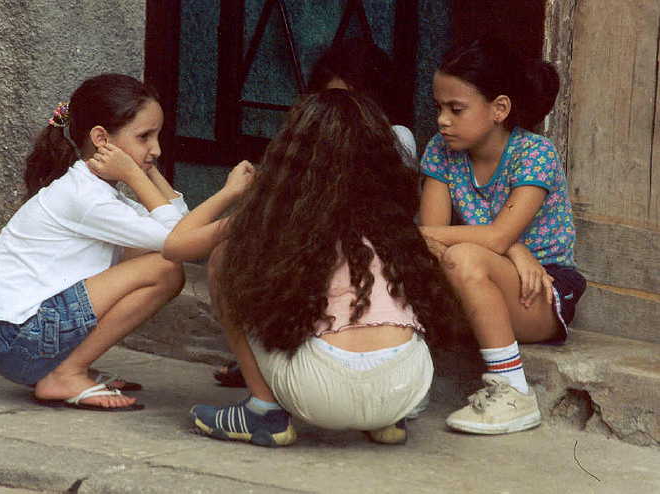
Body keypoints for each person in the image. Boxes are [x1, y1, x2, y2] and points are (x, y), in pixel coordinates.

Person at [163, 89, 462, 447]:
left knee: (223, 257)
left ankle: (263, 412)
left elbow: (175, 246)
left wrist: (230, 192)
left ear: (294, 151)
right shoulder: (393, 221)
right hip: (406, 387)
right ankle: (386, 422)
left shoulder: (274, 217)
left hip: (321, 391)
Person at [0, 73, 250, 412]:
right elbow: (177, 241)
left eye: (158, 136)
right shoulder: (86, 198)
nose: (156, 148)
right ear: (101, 138)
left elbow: (180, 226)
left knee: (156, 256)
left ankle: (63, 368)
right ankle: (66, 373)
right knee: (163, 267)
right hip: (18, 340)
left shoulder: (95, 192)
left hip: (16, 339)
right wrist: (227, 193)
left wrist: (148, 168)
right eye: (144, 137)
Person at [213, 37, 420, 388]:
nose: (339, 117)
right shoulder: (311, 141)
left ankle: (265, 388)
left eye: (351, 102)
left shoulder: (393, 137)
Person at [419, 37, 586, 434]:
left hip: (540, 289)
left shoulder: (534, 153)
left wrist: (505, 245)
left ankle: (512, 391)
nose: (442, 120)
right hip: (473, 277)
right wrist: (513, 248)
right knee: (427, 259)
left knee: (461, 256)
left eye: (456, 109)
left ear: (500, 109)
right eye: (439, 108)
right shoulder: (441, 152)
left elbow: (488, 237)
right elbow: (427, 239)